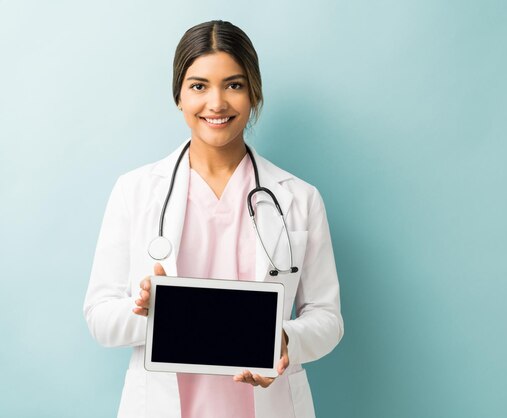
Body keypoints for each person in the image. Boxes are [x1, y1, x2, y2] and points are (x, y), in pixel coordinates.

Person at [83, 20, 343, 418]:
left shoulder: (299, 198)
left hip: (268, 405)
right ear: (179, 96)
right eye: (199, 86)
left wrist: (285, 340)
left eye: (234, 85)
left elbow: (327, 318)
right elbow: (100, 318)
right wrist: (153, 312)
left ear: (254, 94)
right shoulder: (134, 191)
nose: (217, 103)